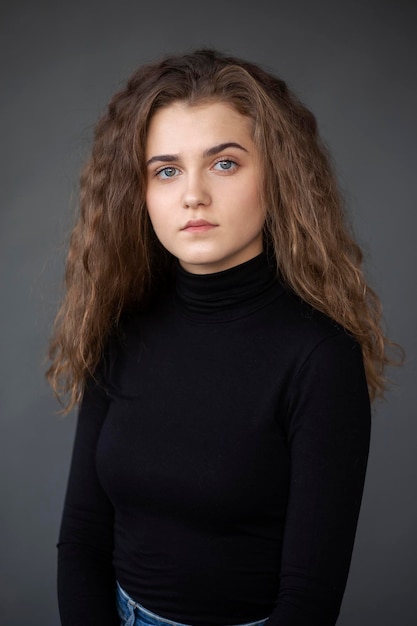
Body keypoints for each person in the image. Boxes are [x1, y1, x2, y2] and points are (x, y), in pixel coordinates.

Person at [47, 48, 401, 626]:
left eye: (225, 163)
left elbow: (309, 597)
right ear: (141, 194)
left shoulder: (319, 357)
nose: (193, 195)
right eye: (166, 170)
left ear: (277, 175)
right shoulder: (121, 324)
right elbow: (83, 536)